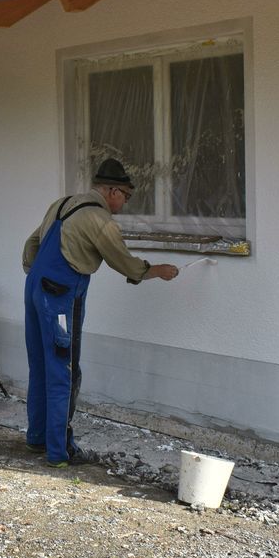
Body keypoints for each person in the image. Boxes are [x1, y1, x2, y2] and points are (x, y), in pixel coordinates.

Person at [21, 159, 179, 467]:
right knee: (63, 370)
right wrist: (156, 270)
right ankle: (59, 452)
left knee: (40, 365)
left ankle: (37, 438)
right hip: (60, 296)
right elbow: (123, 262)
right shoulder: (100, 220)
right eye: (125, 196)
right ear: (112, 191)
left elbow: (31, 244)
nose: (124, 203)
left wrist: (35, 273)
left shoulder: (62, 204)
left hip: (35, 288)